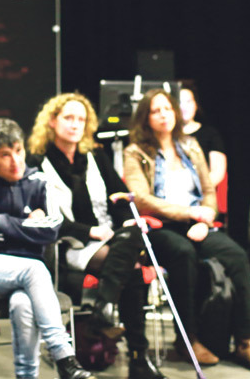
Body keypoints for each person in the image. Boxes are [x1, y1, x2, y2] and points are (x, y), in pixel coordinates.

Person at [123, 88, 250, 372]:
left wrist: (204, 220)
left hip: (197, 225)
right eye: (155, 111)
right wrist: (190, 213)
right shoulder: (135, 151)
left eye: (167, 109)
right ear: (145, 117)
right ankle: (187, 339)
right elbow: (141, 198)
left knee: (237, 255)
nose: (163, 115)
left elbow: (208, 190)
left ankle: (246, 340)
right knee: (182, 254)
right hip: (160, 227)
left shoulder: (190, 145)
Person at [26, 92, 166, 379]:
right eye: (69, 118)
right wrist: (88, 230)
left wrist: (128, 222)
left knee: (134, 235)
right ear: (52, 122)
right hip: (71, 244)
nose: (75, 125)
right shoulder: (36, 162)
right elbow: (46, 219)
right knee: (135, 272)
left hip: (111, 241)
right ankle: (139, 359)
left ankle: (106, 302)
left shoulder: (96, 156)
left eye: (81, 119)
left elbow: (121, 198)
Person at [0, 118, 94, 379]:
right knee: (35, 268)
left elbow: (53, 229)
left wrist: (1, 221)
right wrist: (28, 229)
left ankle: (26, 376)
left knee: (23, 304)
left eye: (19, 151)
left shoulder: (40, 181)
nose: (16, 161)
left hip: (29, 280)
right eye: (5, 155)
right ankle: (63, 355)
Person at [178, 83, 227, 187]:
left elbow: (218, 172)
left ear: (195, 105)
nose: (184, 107)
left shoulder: (210, 134)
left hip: (201, 191)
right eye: (180, 102)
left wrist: (198, 189)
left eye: (188, 102)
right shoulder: (167, 135)